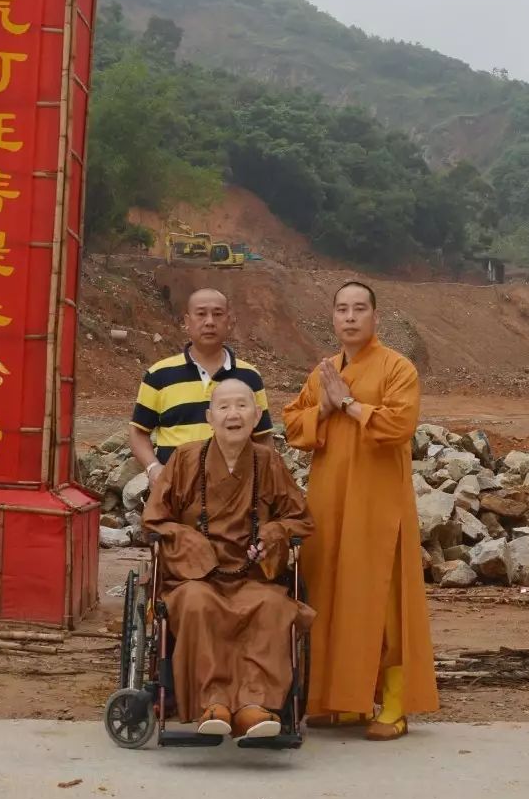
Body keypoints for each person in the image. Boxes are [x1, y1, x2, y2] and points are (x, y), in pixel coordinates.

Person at [283, 280, 437, 741]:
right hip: (330, 503)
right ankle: (342, 703)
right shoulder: (323, 371)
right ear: (332, 318)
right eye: (342, 309)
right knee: (331, 595)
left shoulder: (397, 367)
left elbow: (399, 423)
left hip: (378, 505)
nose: (350, 317)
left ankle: (392, 705)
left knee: (382, 601)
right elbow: (292, 423)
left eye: (359, 309)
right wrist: (325, 409)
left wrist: (347, 404)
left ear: (375, 317)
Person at [142, 378, 313, 740]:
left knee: (271, 606)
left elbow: (300, 518)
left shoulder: (269, 461)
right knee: (196, 603)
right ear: (210, 417)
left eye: (241, 406)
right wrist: (189, 540)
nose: (232, 414)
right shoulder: (185, 459)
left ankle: (255, 707)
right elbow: (155, 521)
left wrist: (273, 534)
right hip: (196, 578)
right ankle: (213, 704)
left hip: (254, 576)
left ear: (256, 417)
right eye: (223, 407)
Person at [130, 287, 271, 487]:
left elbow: (263, 436)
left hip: (235, 492)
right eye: (201, 314)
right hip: (175, 489)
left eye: (218, 314)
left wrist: (261, 477)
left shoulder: (250, 377)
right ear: (187, 322)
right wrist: (153, 468)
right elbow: (138, 431)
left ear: (229, 321)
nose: (210, 322)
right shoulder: (159, 375)